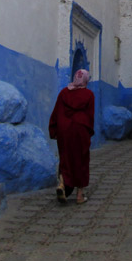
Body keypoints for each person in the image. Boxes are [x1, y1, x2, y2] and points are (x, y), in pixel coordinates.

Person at [49, 68, 94, 205]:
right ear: (85, 80)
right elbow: (90, 115)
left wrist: (54, 129)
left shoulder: (63, 93)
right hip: (80, 130)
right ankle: (79, 195)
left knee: (65, 158)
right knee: (81, 160)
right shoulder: (88, 95)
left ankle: (62, 184)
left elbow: (57, 111)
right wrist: (89, 131)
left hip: (64, 130)